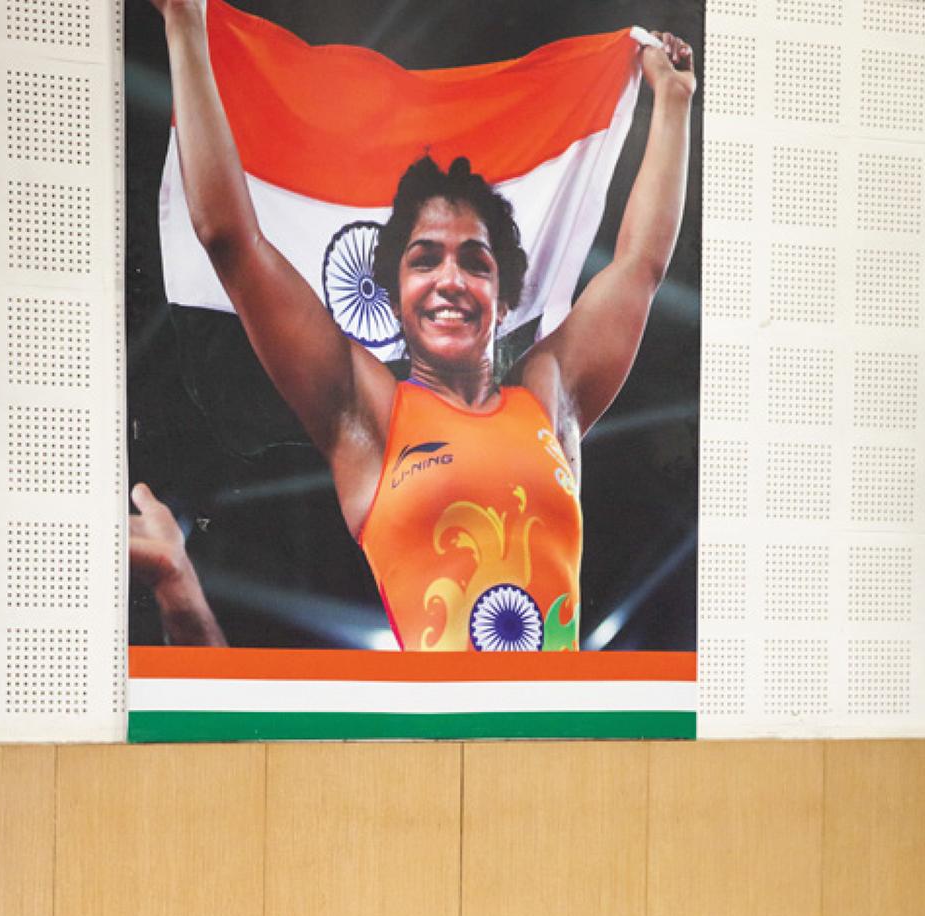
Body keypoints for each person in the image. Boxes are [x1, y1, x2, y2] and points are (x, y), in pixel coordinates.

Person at [135, 0, 695, 649]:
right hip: (436, 742)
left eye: (475, 261)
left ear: (504, 295)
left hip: (557, 739)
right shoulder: (365, 412)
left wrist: (673, 105)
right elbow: (232, 240)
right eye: (424, 259)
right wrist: (186, 25)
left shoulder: (550, 398)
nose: (451, 280)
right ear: (397, 297)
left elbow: (639, 266)